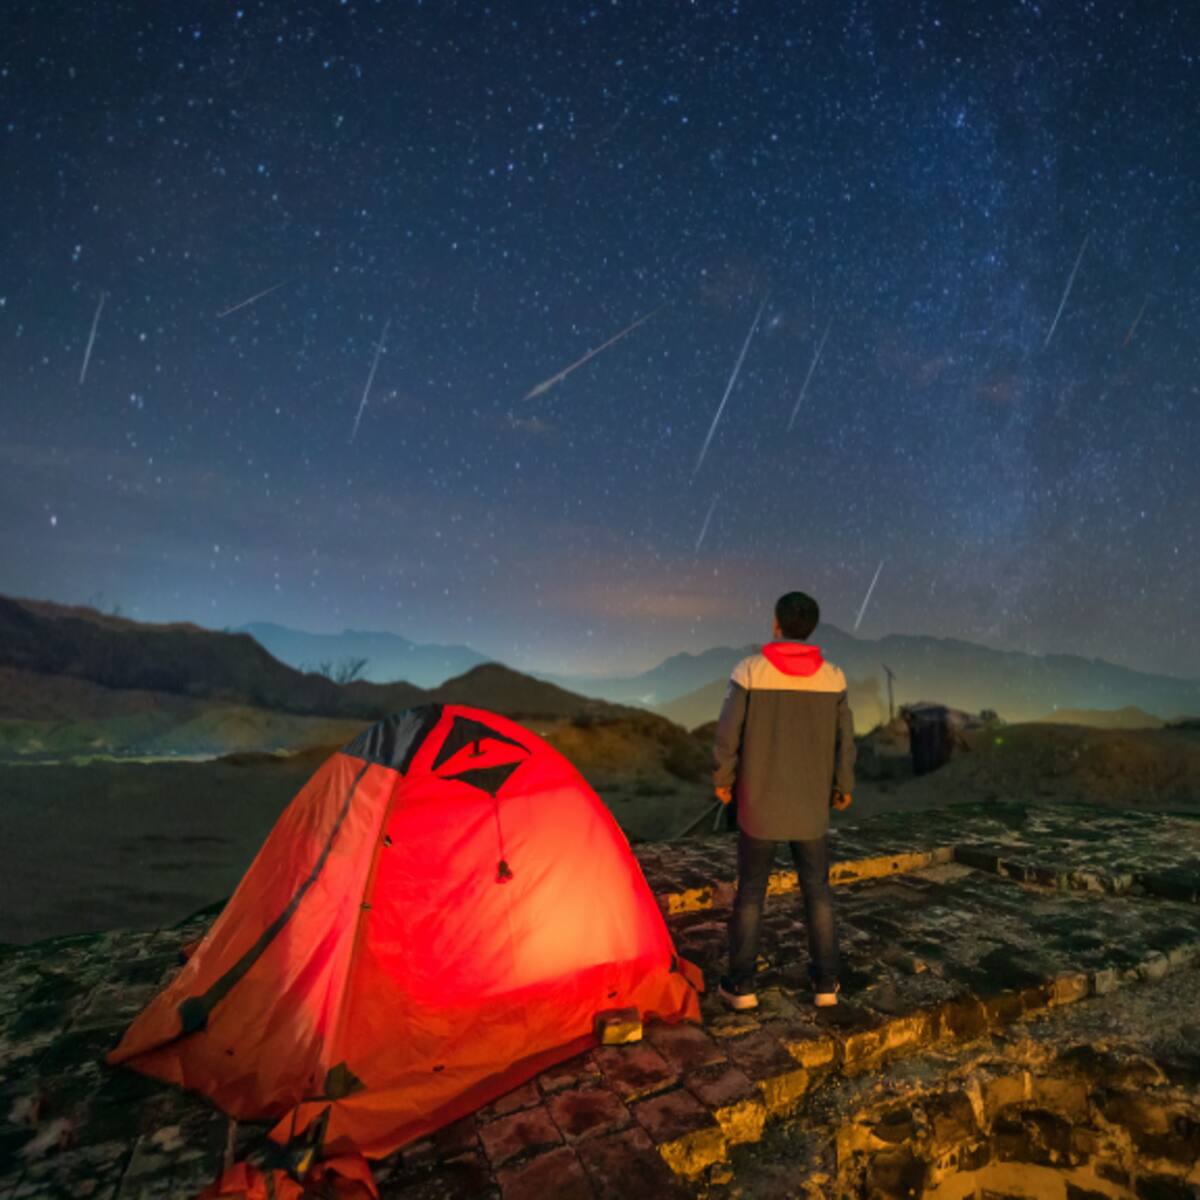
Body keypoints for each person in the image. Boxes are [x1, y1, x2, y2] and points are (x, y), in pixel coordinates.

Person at [712, 591, 855, 1010]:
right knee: (818, 891)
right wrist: (843, 784)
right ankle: (826, 983)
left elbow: (727, 733)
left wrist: (723, 779)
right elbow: (845, 742)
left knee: (751, 893)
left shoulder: (750, 671)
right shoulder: (834, 678)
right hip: (811, 808)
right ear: (811, 628)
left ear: (776, 624)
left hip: (759, 805)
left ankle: (741, 987)